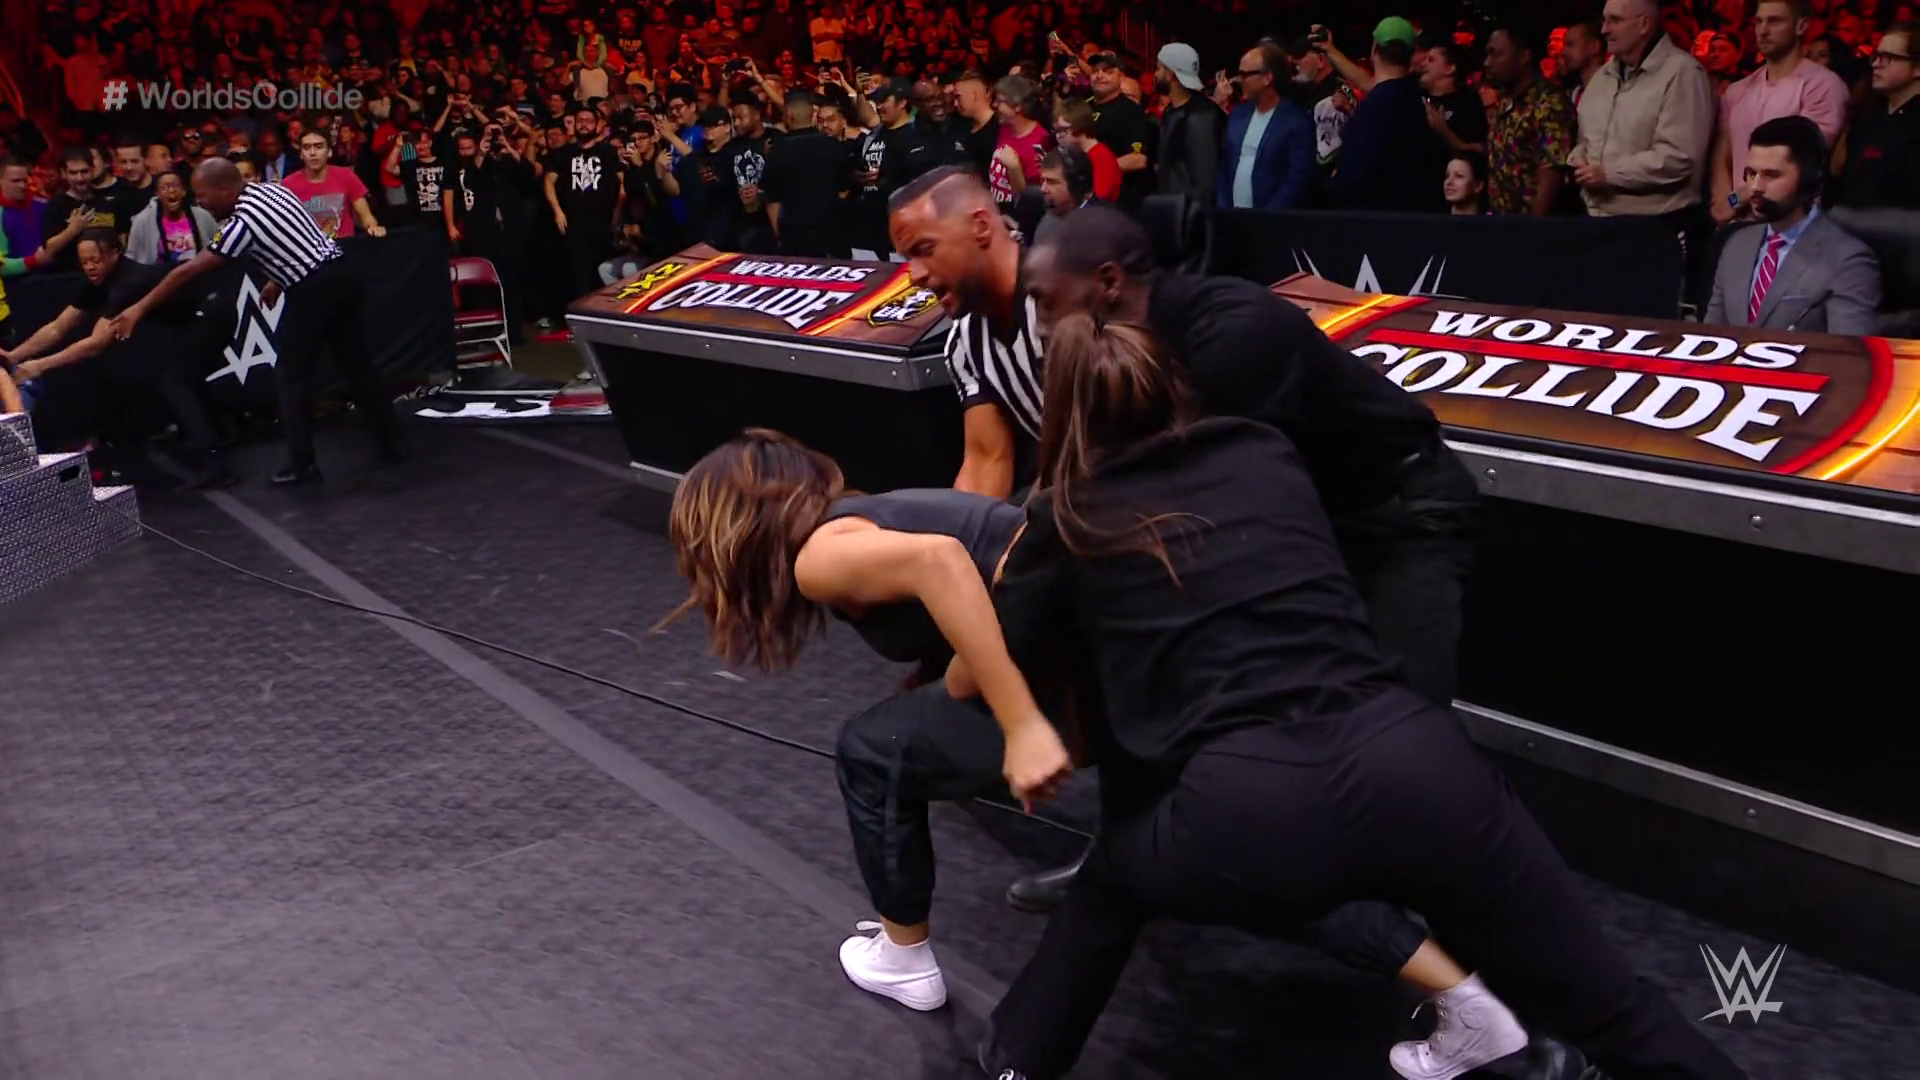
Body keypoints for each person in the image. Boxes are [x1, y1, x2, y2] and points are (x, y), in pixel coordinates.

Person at [967, 311, 1749, 1080]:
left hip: (1249, 805)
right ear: (1173, 383)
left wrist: (1011, 668)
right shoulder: (1264, 451)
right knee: (1614, 1008)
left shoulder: (1064, 516)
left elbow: (1000, 658)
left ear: (1061, 413)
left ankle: (1015, 1064)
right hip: (1414, 763)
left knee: (1112, 878)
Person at [665, 427, 1540, 1080]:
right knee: (1233, 855)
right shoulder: (861, 517)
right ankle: (1469, 1004)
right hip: (1126, 659)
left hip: (1081, 678)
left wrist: (1016, 718)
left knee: (871, 751)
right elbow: (997, 563)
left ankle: (902, 956)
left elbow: (943, 565)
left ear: (731, 529)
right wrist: (956, 676)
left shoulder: (820, 555)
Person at [106, 158, 407, 486]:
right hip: (341, 276)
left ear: (224, 189)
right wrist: (277, 279)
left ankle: (302, 463)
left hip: (315, 289)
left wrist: (138, 309)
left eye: (202, 195)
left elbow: (186, 272)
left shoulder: (243, 222)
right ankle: (393, 442)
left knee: (290, 376)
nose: (200, 203)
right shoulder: (273, 191)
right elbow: (297, 238)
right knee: (357, 364)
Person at [0, 227, 232, 488]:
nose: (89, 267)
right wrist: (14, 356)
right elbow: (58, 327)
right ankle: (215, 435)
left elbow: (96, 344)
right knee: (181, 376)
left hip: (212, 311)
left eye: (95, 260)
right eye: (84, 262)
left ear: (114, 254)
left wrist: (39, 366)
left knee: (177, 380)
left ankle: (214, 460)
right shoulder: (96, 282)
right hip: (189, 319)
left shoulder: (128, 282)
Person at [1704, 115, 1880, 335]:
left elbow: (1845, 350)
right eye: (1751, 173)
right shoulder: (1736, 244)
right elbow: (1709, 333)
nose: (1756, 187)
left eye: (1771, 175)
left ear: (1808, 181)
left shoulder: (1847, 261)